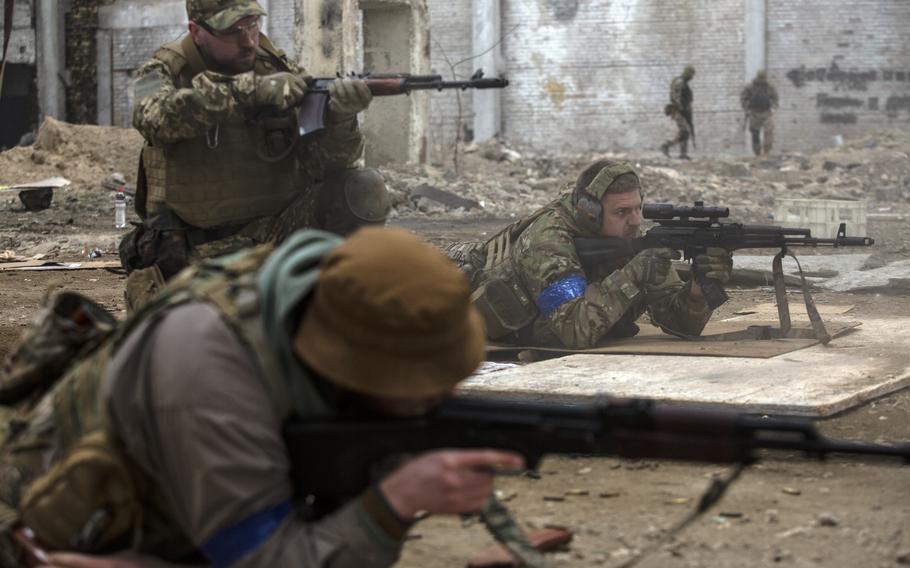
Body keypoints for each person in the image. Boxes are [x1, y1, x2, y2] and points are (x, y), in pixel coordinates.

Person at [0, 227, 523, 567]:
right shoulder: (210, 374)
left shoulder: (310, 297)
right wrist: (393, 503)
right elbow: (261, 559)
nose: (443, 394)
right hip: (57, 529)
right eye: (425, 385)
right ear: (356, 369)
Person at [120, 0, 391, 311]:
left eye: (252, 25)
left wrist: (341, 118)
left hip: (275, 234)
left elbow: (329, 164)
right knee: (192, 340)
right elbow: (152, 118)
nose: (248, 40)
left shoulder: (275, 67)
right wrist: (248, 92)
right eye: (234, 31)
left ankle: (329, 302)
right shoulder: (164, 68)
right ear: (196, 31)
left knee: (361, 187)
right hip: (195, 248)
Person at [444, 160, 734, 349]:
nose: (635, 221)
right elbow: (575, 331)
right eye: (621, 212)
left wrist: (696, 291)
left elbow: (681, 324)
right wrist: (633, 274)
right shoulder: (548, 242)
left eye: (637, 208)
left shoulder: (627, 238)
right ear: (590, 212)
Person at [740, 70, 779, 156]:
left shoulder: (769, 87)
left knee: (768, 133)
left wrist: (773, 107)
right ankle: (758, 153)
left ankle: (766, 152)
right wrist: (747, 107)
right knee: (755, 134)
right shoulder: (751, 87)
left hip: (766, 112)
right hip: (755, 112)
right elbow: (744, 98)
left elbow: (775, 98)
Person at [660, 65, 695, 160]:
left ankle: (683, 153)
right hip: (678, 111)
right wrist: (681, 109)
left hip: (683, 111)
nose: (692, 77)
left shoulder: (684, 84)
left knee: (685, 131)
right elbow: (676, 97)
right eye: (691, 74)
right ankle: (666, 145)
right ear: (687, 73)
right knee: (685, 131)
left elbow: (687, 100)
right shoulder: (680, 82)